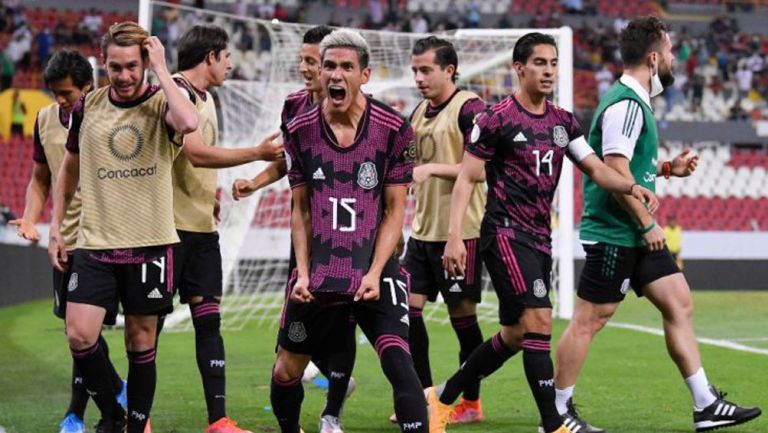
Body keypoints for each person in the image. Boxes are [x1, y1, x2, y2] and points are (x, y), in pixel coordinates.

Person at [432, 32, 659, 433]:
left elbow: (596, 168)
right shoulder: (495, 119)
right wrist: (454, 237)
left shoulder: (562, 122)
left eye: (553, 63)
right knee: (539, 319)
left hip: (539, 237)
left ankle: (444, 396)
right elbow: (467, 179)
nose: (549, 70)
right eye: (540, 63)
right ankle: (554, 423)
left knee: (516, 334)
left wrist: (632, 186)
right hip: (503, 233)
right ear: (519, 68)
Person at [554, 16, 762, 433]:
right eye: (668, 53)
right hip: (617, 232)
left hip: (633, 231)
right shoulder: (627, 104)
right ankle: (555, 413)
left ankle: (705, 405)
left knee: (678, 301)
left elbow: (632, 169)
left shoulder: (634, 101)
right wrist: (649, 224)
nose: (672, 60)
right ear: (652, 58)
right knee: (591, 319)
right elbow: (614, 171)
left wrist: (667, 168)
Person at [271, 28, 427, 433]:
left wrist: (376, 272)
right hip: (320, 272)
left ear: (365, 74)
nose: (336, 75)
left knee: (397, 359)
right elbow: (301, 209)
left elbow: (395, 211)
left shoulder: (394, 128)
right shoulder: (299, 129)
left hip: (375, 268)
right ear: (320, 74)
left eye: (346, 67)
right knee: (286, 371)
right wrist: (302, 273)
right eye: (329, 67)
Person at [49, 21, 198, 433]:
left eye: (133, 66)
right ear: (104, 63)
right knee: (79, 335)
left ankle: (133, 425)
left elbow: (188, 123)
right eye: (116, 67)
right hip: (96, 243)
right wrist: (56, 228)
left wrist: (162, 70)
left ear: (145, 63)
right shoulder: (87, 107)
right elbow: (68, 170)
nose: (125, 76)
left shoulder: (162, 102)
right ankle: (115, 410)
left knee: (140, 344)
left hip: (150, 244)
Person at [232, 25, 359, 433]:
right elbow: (291, 160)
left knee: (343, 325)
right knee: (299, 314)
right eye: (305, 61)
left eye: (313, 62)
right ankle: (305, 389)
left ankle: (332, 414)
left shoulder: (361, 108)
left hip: (349, 237)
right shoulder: (293, 107)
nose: (307, 69)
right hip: (306, 231)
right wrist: (254, 182)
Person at [168, 24, 283, 433]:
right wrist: (257, 152)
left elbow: (190, 163)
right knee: (144, 328)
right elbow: (196, 154)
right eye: (227, 56)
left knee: (209, 322)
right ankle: (137, 418)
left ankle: (217, 420)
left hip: (199, 228)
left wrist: (211, 194)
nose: (231, 64)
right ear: (210, 57)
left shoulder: (207, 99)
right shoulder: (177, 93)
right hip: (165, 231)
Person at [9, 49, 127, 433]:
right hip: (64, 239)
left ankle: (78, 413)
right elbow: (40, 179)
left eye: (67, 93)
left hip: (103, 239)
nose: (60, 100)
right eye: (55, 93)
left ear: (88, 86)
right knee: (77, 334)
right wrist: (30, 218)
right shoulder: (44, 119)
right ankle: (115, 391)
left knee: (83, 333)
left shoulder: (108, 114)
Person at [403, 35, 487, 424]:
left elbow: (484, 168)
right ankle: (424, 397)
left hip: (462, 232)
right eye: (415, 70)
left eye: (426, 70)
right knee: (407, 314)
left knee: (462, 319)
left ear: (449, 70)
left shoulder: (470, 109)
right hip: (421, 234)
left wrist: (432, 169)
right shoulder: (418, 113)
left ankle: (470, 402)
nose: (418, 77)